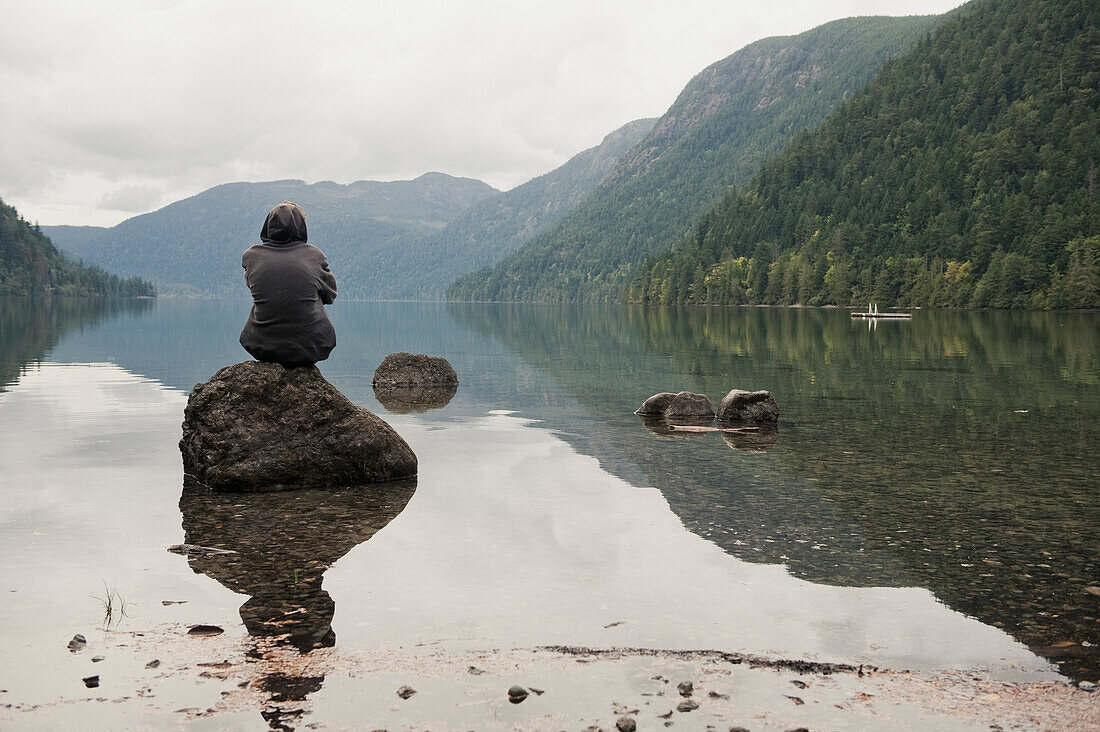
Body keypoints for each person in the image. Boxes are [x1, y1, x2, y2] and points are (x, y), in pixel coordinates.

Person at [239, 201, 337, 367]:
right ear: (300, 226)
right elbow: (330, 295)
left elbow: (254, 288)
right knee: (315, 293)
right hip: (311, 346)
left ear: (267, 226)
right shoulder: (314, 255)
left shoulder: (251, 256)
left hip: (261, 346)